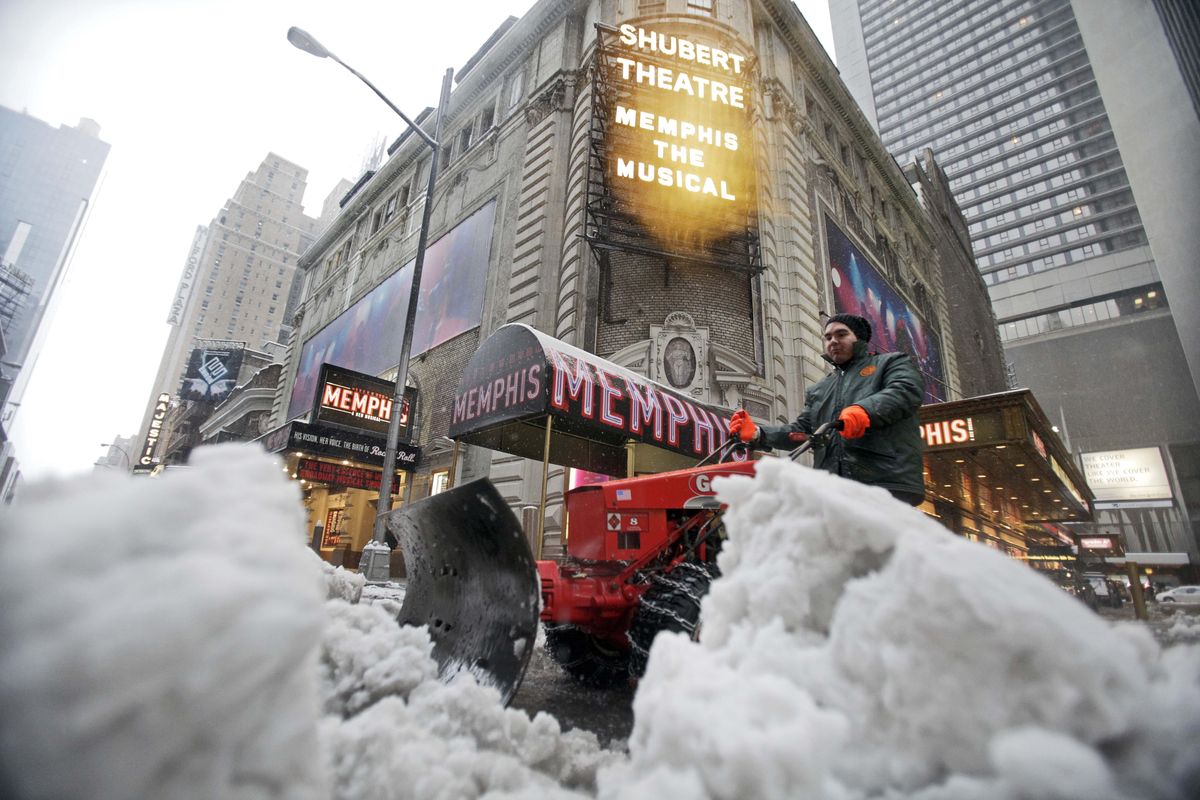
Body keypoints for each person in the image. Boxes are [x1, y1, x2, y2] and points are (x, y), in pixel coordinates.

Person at [729, 313, 926, 506]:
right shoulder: (820, 388)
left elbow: (905, 390)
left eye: (841, 334)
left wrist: (864, 411)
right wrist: (759, 433)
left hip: (884, 481)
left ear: (860, 338)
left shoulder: (890, 362)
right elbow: (803, 432)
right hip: (833, 489)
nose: (833, 341)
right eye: (828, 337)